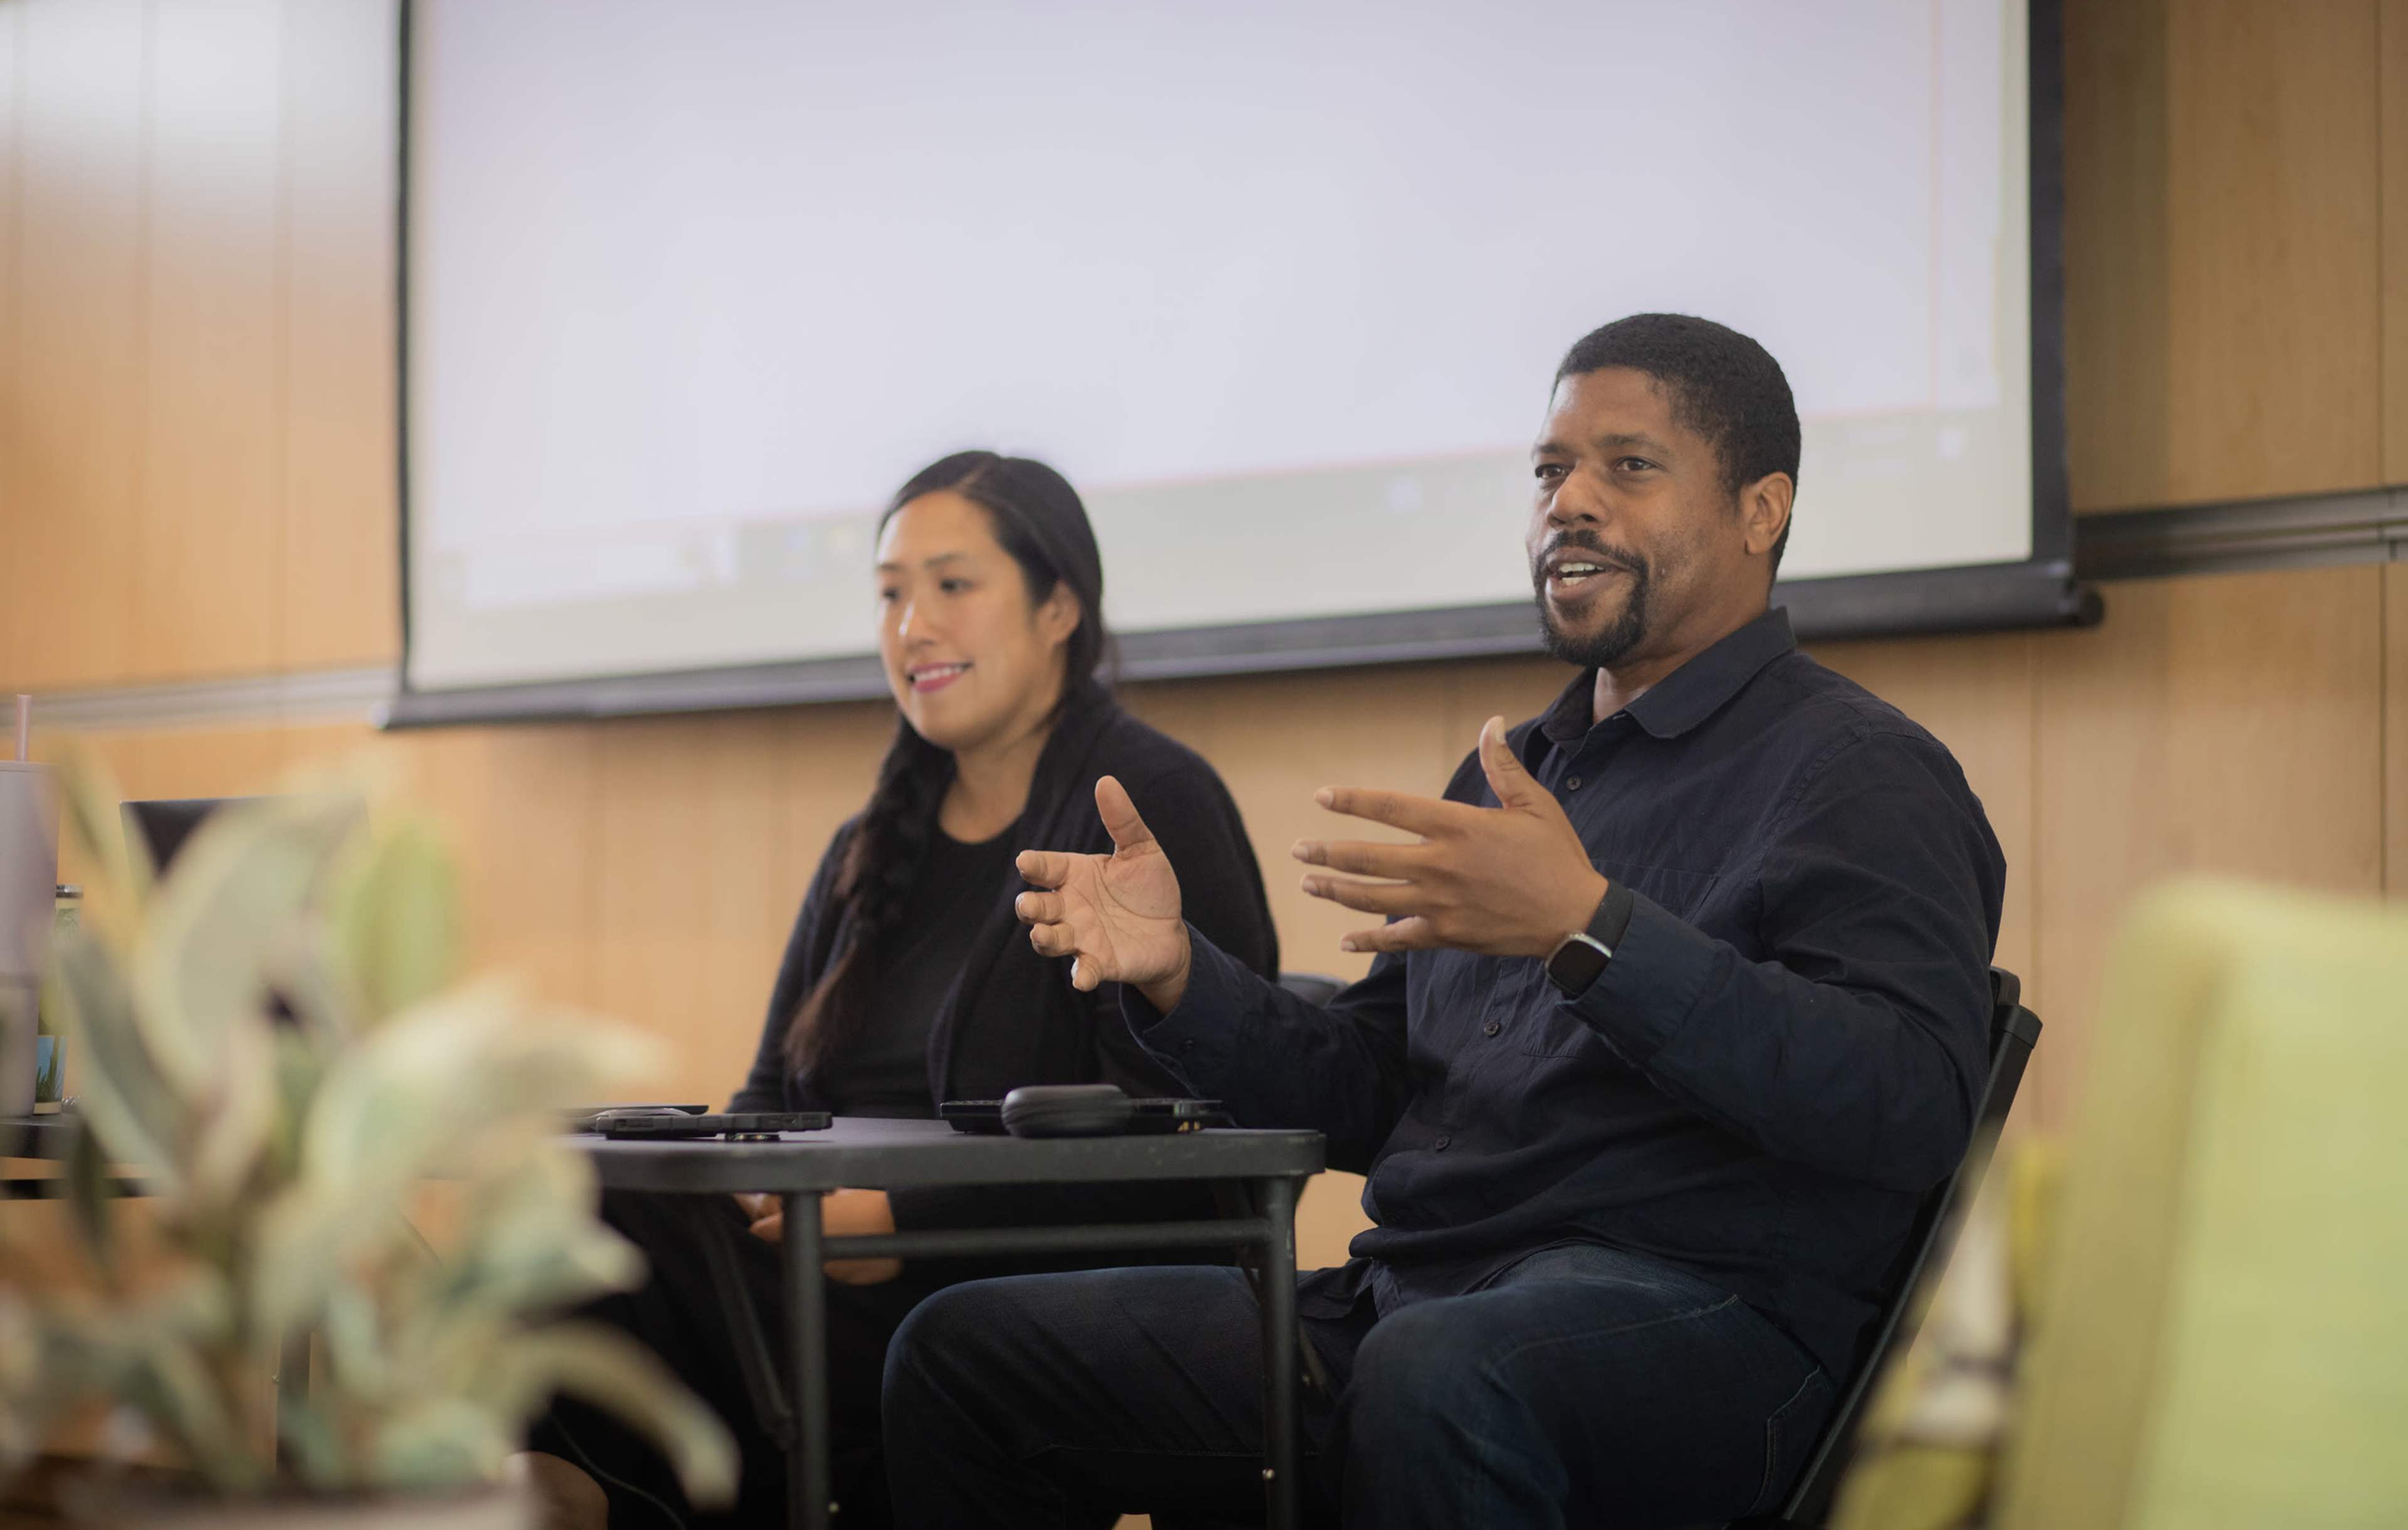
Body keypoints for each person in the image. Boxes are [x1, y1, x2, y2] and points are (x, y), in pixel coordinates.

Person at [879, 315, 2007, 1529]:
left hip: (1712, 1322)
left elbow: (1908, 1103)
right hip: (1419, 1299)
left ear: (1760, 508)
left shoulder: (1862, 771)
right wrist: (1175, 974)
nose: (1568, 501)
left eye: (1628, 466)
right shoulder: (1512, 772)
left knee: (1441, 1378)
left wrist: (1591, 934)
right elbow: (1376, 1088)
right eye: (1548, 470)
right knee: (964, 1352)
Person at [531, 451, 1279, 1528]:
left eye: (952, 586)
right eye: (890, 594)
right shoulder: (866, 847)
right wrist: (747, 1196)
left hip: (993, 1294)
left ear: (1061, 604)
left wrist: (893, 1215)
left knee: (612, 1287)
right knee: (588, 1207)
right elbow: (761, 1099)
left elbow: (1189, 1151)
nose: (912, 626)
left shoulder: (1149, 804)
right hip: (816, 1269)